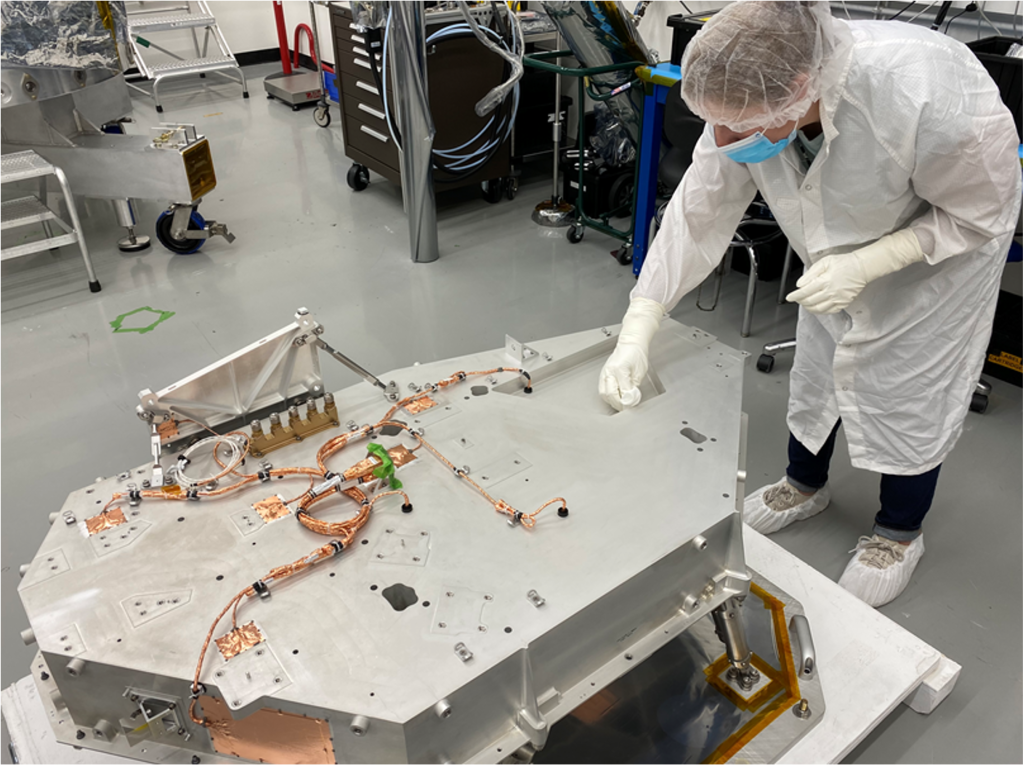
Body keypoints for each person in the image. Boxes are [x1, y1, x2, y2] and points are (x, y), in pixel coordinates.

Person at [599, 0, 1020, 606]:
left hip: (934, 270)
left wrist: (874, 262)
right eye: (714, 123)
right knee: (818, 369)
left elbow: (983, 211)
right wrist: (641, 322)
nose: (721, 140)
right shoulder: (751, 99)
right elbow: (698, 213)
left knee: (911, 392)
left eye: (738, 128)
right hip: (832, 255)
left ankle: (898, 533)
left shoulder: (926, 89)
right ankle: (803, 484)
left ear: (802, 88)